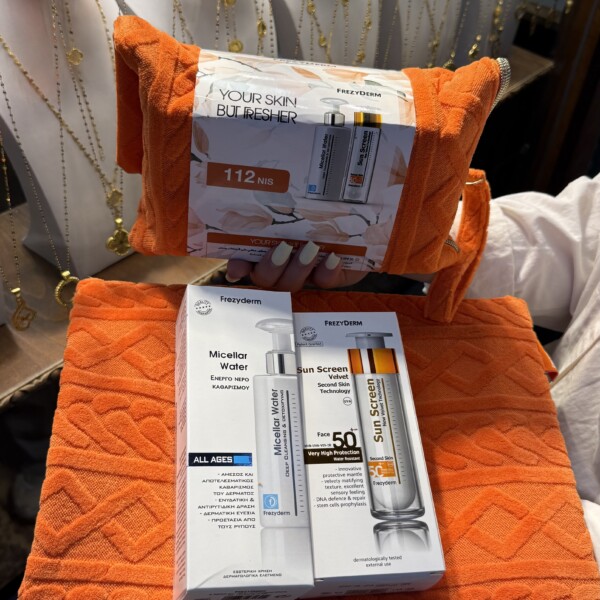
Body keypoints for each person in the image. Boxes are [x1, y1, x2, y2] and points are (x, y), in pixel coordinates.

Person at [226, 172, 600, 564]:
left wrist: (534, 511)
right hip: (516, 427)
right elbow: (572, 240)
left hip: (559, 541)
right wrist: (393, 241)